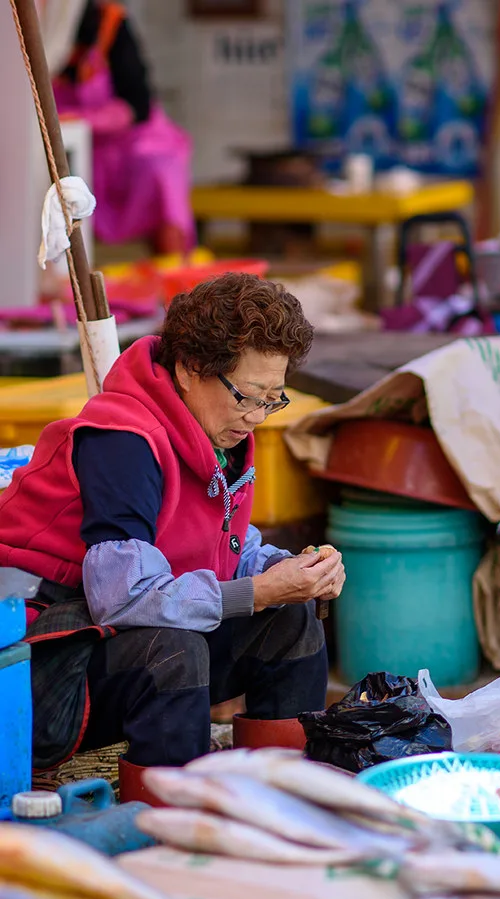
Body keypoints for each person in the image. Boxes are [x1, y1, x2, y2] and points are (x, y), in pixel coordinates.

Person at [0, 274, 345, 794]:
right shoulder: (122, 442)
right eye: (247, 397)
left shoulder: (216, 432)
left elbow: (220, 544)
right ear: (188, 369)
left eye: (273, 401)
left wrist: (288, 570)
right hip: (35, 662)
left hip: (112, 639)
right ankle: (170, 831)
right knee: (172, 653)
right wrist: (259, 591)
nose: (256, 418)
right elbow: (122, 599)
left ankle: (283, 801)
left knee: (290, 620)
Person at [52, 0, 194, 254]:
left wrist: (83, 120)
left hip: (134, 140)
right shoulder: (38, 35)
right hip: (73, 147)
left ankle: (175, 273)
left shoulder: (109, 25)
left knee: (160, 175)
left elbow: (138, 105)